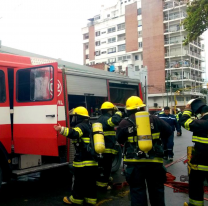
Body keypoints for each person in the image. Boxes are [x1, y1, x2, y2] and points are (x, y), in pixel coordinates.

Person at [117, 96, 172, 206]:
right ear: (142, 108)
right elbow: (168, 131)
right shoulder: (154, 119)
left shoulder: (124, 123)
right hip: (154, 162)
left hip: (135, 164)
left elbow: (119, 139)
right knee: (157, 192)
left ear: (128, 109)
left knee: (137, 192)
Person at [54, 106, 98, 205]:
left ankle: (76, 199)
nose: (73, 119)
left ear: (79, 117)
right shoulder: (89, 125)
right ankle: (91, 200)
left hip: (82, 162)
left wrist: (61, 130)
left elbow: (74, 133)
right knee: (90, 183)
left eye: (74, 117)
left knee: (79, 182)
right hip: (92, 161)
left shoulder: (81, 126)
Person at [181, 104, 208, 206]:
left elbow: (184, 121)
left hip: (200, 163)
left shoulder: (201, 124)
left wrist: (187, 110)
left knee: (196, 186)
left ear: (202, 113)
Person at [96, 101, 122, 190]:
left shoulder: (100, 119)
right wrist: (118, 113)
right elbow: (113, 121)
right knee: (106, 167)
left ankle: (105, 179)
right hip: (107, 149)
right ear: (110, 111)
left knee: (103, 167)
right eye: (112, 111)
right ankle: (103, 186)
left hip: (102, 148)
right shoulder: (107, 119)